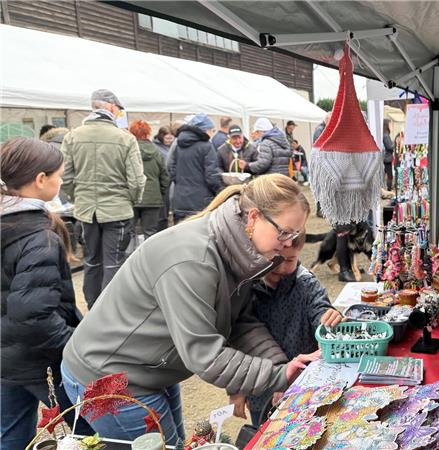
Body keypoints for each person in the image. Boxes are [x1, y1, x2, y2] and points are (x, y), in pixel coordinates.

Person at [60, 174, 323, 445]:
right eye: (285, 233)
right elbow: (204, 354)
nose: (289, 244)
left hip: (150, 369)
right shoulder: (193, 260)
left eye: (296, 235)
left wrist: (283, 367)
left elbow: (240, 323)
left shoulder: (240, 252)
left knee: (176, 442)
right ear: (254, 217)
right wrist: (277, 376)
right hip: (109, 378)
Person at [0, 138, 93, 448]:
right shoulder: (38, 237)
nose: (62, 180)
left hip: (6, 357)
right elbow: (33, 315)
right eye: (60, 175)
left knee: (10, 436)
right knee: (91, 432)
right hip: (40, 360)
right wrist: (75, 346)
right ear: (41, 180)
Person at [245, 234, 344, 423]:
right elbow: (238, 342)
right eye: (275, 260)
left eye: (290, 260)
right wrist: (237, 389)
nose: (282, 268)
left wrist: (328, 318)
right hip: (260, 389)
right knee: (264, 431)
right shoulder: (245, 290)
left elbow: (320, 310)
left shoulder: (306, 284)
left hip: (304, 384)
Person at [60, 89, 145, 309]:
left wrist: (78, 196)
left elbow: (66, 177)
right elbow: (137, 181)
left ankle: (93, 305)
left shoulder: (72, 136)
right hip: (117, 209)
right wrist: (130, 200)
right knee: (114, 262)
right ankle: (109, 310)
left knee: (92, 261)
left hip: (86, 210)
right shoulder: (125, 138)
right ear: (110, 107)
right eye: (117, 109)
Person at [168, 113, 222, 222]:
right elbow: (211, 175)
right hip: (201, 202)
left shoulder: (178, 144)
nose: (212, 134)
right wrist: (220, 190)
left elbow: (170, 167)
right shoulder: (206, 146)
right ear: (205, 130)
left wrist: (181, 182)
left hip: (180, 200)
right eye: (212, 130)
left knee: (180, 235)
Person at [129, 120, 169, 241]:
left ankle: (128, 258)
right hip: (153, 198)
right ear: (148, 134)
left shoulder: (128, 151)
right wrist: (159, 192)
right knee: (150, 233)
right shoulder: (157, 152)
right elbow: (165, 177)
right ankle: (148, 259)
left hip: (131, 197)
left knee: (129, 232)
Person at [382, 119, 395, 190]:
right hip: (387, 158)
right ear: (386, 125)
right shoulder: (386, 135)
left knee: (385, 175)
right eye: (390, 124)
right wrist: (396, 143)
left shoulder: (385, 134)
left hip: (386, 158)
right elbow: (390, 146)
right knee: (390, 176)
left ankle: (386, 188)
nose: (391, 126)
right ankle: (388, 189)